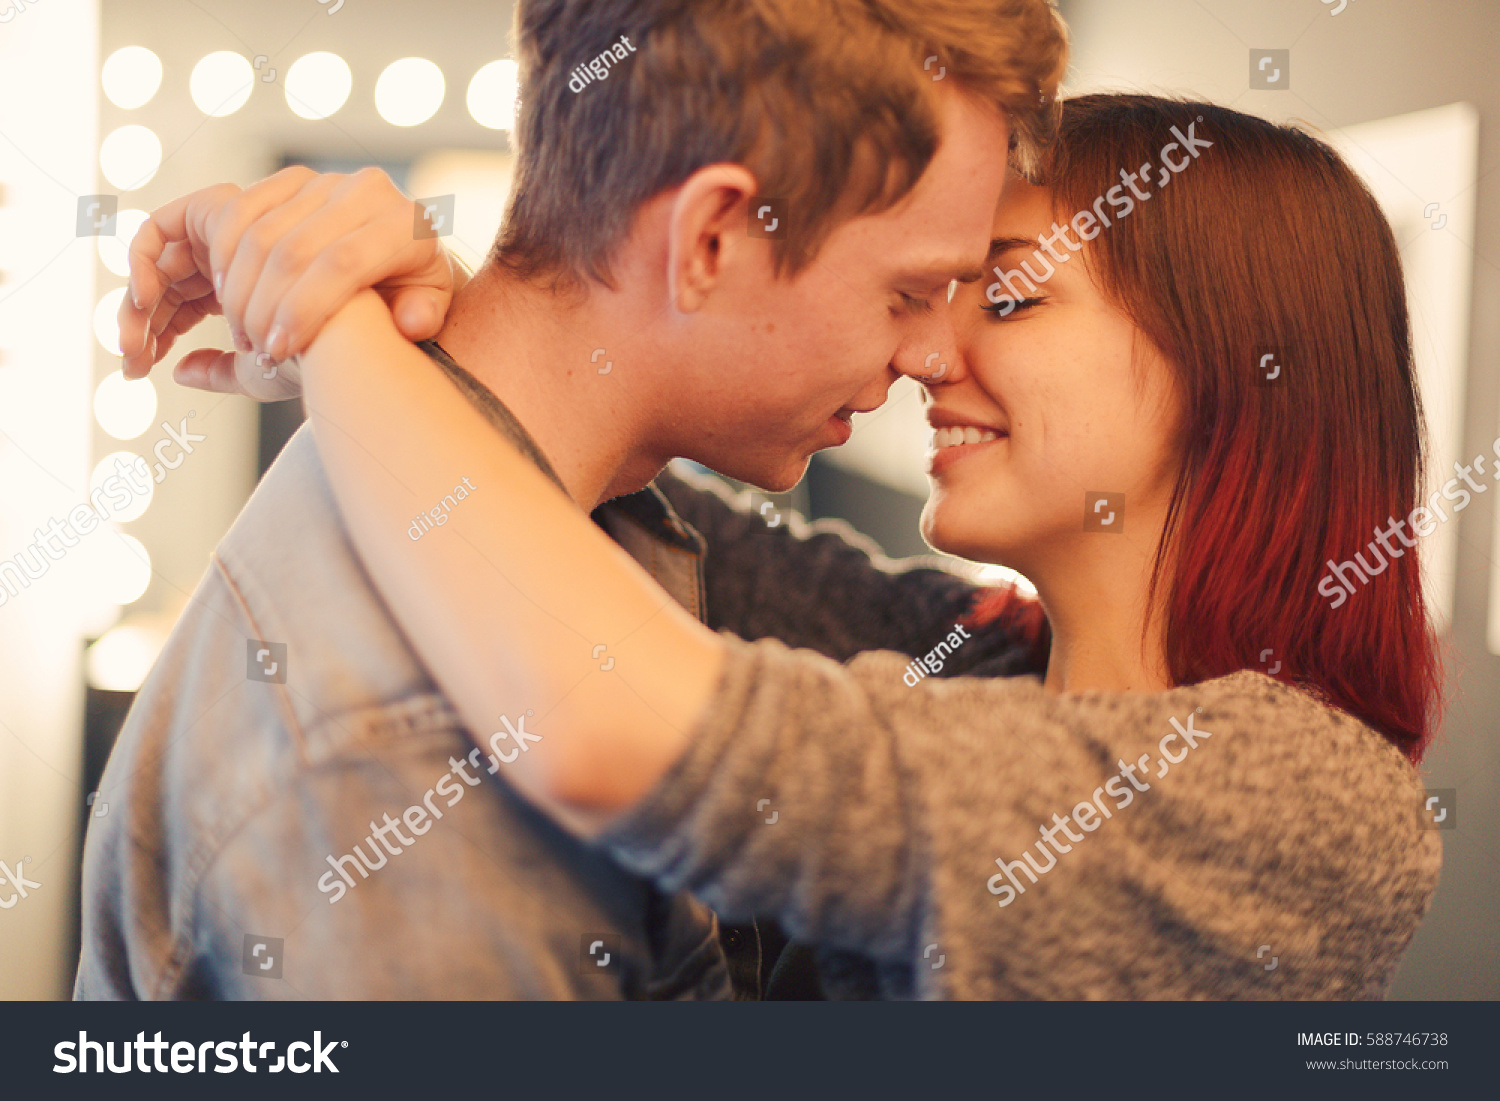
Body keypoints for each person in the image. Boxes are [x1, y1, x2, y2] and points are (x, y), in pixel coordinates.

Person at [284, 95, 1443, 999]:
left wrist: (328, 328)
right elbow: (583, 474)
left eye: (1014, 298)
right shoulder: (977, 657)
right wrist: (429, 304)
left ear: (1236, 366)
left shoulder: (1307, 806)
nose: (929, 356)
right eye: (935, 292)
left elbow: (637, 735)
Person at [75, 0, 1068, 999]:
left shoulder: (581, 517)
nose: (931, 354)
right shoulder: (411, 780)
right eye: (906, 294)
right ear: (710, 241)